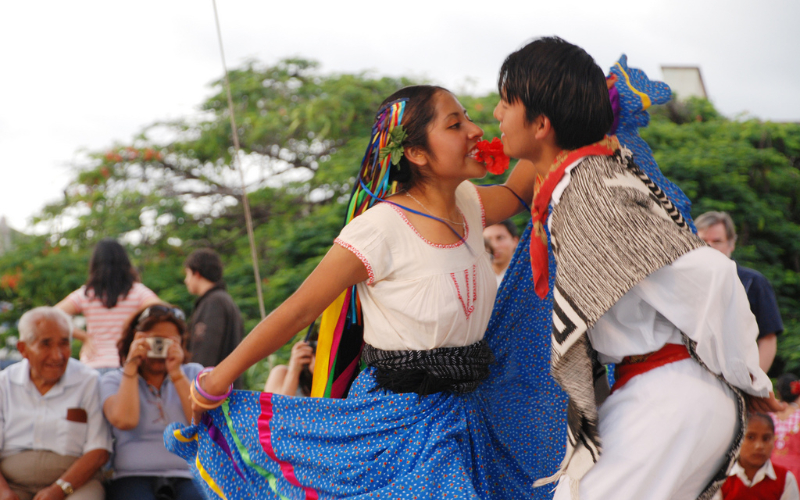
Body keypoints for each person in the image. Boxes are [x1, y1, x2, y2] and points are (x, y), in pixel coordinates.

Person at [165, 85, 545, 500]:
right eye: (456, 124)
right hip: (401, 424)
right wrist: (214, 382)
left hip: (474, 415)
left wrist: (550, 118)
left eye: (468, 118)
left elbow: (515, 191)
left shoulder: (470, 203)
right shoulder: (379, 228)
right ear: (416, 154)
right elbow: (298, 311)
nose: (475, 130)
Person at [492, 36, 779, 500]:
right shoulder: (582, 181)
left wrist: (747, 378)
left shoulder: (590, 190)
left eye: (506, 102)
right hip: (661, 393)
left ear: (541, 123)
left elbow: (714, 275)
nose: (496, 115)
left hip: (668, 395)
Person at [0, 307, 111, 500]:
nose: (57, 355)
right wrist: (4, 493)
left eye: (64, 343)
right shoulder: (4, 384)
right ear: (23, 349)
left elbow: (99, 450)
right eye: (46, 344)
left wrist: (59, 489)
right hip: (11, 483)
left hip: (75, 484)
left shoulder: (88, 381)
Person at [101, 304, 203, 500]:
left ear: (181, 343)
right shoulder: (114, 380)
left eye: (169, 342)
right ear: (134, 340)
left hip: (189, 474)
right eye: (154, 341)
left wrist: (177, 374)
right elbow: (125, 420)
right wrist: (131, 368)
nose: (159, 348)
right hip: (133, 476)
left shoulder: (192, 374)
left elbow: (202, 424)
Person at [696, 211, 784, 372]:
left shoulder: (754, 282)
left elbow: (768, 339)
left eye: (716, 241)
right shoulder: (685, 282)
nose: (708, 246)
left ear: (731, 243)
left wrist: (753, 384)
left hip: (737, 375)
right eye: (702, 240)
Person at [57, 239, 160, 372]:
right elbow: (160, 309)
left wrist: (84, 336)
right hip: (127, 364)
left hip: (92, 365)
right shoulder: (137, 292)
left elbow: (51, 315)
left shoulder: (87, 294)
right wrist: (135, 321)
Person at [183, 249, 244, 387]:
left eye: (187, 274)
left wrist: (197, 387)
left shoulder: (214, 303)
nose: (186, 280)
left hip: (214, 395)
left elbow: (205, 353)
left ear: (196, 273)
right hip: (227, 391)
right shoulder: (225, 300)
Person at [714, 413, 799, 500]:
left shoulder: (785, 479)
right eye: (750, 437)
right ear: (737, 439)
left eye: (766, 439)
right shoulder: (721, 478)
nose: (759, 446)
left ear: (774, 440)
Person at [772, 374, 800, 480]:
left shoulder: (767, 416)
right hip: (795, 474)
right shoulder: (798, 416)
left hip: (770, 470)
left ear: (778, 392)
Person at [483, 220, 520, 287]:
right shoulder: (478, 278)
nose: (494, 245)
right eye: (488, 240)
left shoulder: (526, 274)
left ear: (515, 241)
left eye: (500, 238)